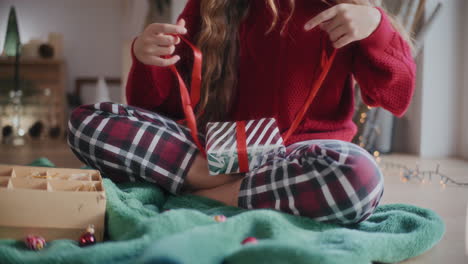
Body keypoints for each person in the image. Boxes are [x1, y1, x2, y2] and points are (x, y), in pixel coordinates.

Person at [68, 0, 415, 224]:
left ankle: (199, 197)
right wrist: (149, 59)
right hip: (212, 152)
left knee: (362, 177)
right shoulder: (208, 7)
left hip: (299, 159)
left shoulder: (344, 9)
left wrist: (376, 27)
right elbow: (158, 109)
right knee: (87, 123)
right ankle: (221, 186)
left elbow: (397, 97)